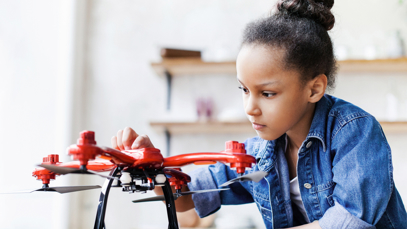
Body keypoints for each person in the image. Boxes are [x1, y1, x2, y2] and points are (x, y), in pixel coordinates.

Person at [111, 0, 407, 228]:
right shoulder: (259, 152)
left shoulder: (354, 132)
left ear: (314, 88)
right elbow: (187, 198)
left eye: (267, 93)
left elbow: (350, 222)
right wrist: (153, 168)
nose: (250, 107)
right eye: (243, 90)